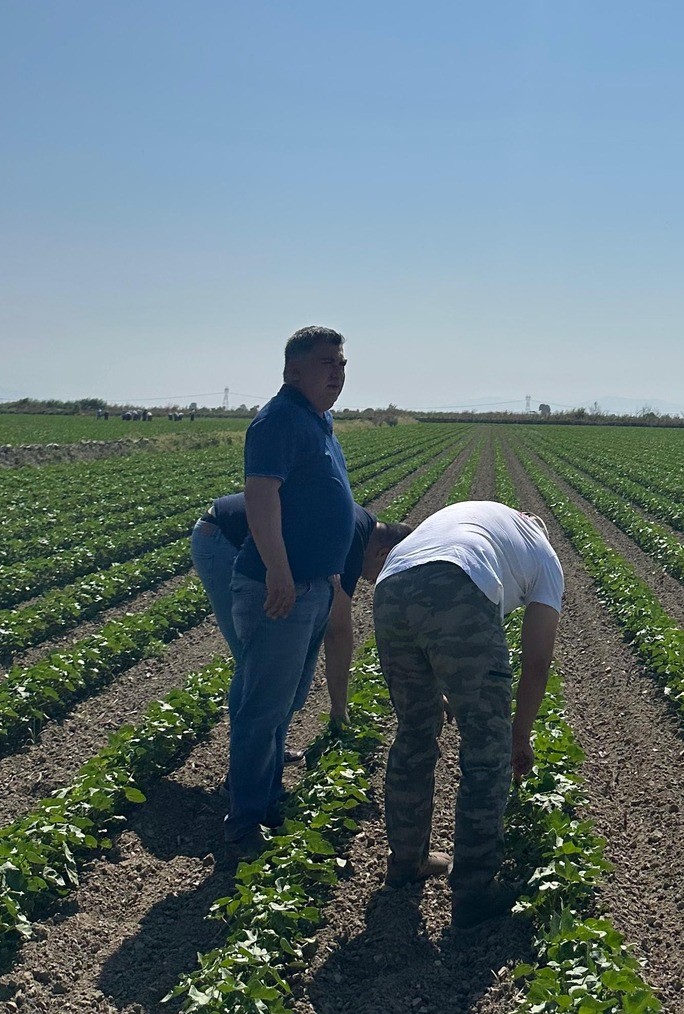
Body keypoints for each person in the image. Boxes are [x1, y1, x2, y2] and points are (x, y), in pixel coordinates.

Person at [372, 498, 563, 928]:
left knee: (415, 732)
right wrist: (518, 737)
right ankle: (474, 892)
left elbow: (430, 607)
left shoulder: (479, 518)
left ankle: (406, 863)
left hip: (391, 584)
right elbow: (537, 662)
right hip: (456, 579)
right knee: (486, 750)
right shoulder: (545, 557)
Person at [221, 325, 358, 851]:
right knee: (263, 705)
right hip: (279, 588)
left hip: (311, 586)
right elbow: (261, 496)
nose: (337, 373)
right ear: (292, 370)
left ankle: (268, 794)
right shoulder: (278, 420)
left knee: (285, 702)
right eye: (327, 363)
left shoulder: (318, 421)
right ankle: (246, 820)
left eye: (342, 363)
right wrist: (278, 569)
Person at [191, 492, 412, 731]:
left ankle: (267, 748)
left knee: (274, 662)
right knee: (254, 660)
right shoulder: (352, 538)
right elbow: (337, 631)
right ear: (383, 553)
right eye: (389, 569)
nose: (378, 580)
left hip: (247, 542)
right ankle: (252, 756)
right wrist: (339, 708)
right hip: (222, 537)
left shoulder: (361, 528)